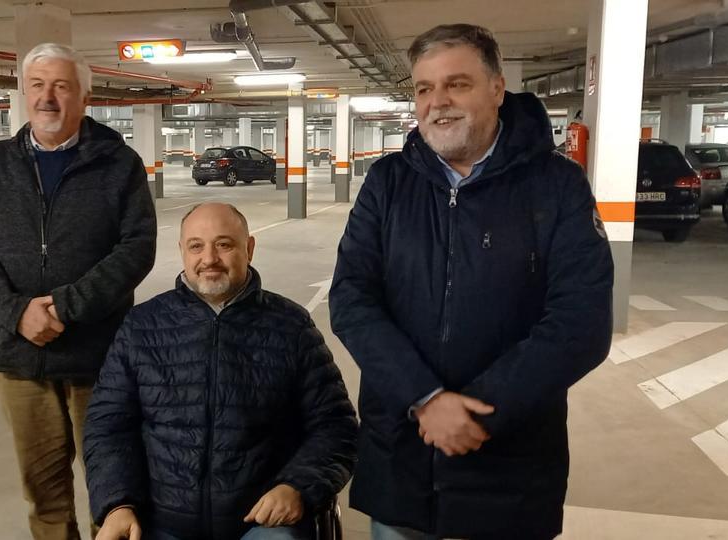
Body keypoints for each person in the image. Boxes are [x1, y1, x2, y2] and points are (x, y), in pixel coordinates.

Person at [329, 24, 614, 540]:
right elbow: (352, 298)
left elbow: (582, 324)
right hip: (401, 459)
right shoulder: (387, 183)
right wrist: (426, 398)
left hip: (507, 469)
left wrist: (480, 412)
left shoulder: (556, 187)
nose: (438, 102)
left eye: (456, 84)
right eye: (423, 88)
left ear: (497, 90)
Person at [0, 42, 157, 540]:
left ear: (84, 97)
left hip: (99, 361)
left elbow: (137, 247)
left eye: (62, 86)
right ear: (24, 94)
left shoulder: (117, 163)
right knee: (43, 496)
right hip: (20, 360)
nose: (48, 97)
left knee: (114, 492)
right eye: (38, 86)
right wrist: (17, 313)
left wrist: (65, 306)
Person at [83, 203, 358, 540]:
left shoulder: (292, 327)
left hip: (262, 522)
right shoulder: (142, 327)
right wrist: (117, 505)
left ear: (250, 249)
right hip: (161, 521)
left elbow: (336, 426)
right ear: (182, 251)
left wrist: (297, 486)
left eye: (224, 244)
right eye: (196, 246)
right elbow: (107, 426)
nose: (209, 258)